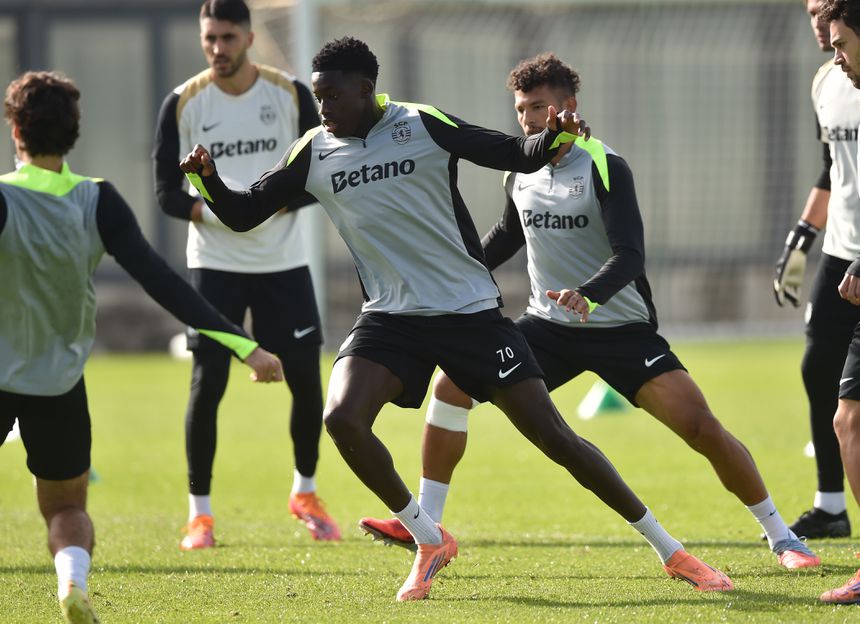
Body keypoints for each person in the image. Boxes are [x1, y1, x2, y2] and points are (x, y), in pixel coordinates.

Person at [180, 36, 735, 601]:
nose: (322, 109)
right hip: (390, 318)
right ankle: (429, 537)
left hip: (469, 313)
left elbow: (514, 153)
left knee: (553, 437)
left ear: (366, 89)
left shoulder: (422, 124)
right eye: (317, 97)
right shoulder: (314, 150)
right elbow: (246, 212)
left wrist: (557, 134)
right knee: (342, 419)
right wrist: (207, 179)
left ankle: (671, 550)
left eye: (332, 96)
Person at [357, 53, 821, 572]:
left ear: (568, 106)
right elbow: (509, 236)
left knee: (700, 427)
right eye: (520, 109)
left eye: (538, 107)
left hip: (620, 330)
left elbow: (631, 254)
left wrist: (589, 293)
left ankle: (784, 539)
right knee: (449, 387)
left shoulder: (604, 165)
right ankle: (429, 525)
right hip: (547, 328)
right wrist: (456, 270)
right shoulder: (520, 171)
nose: (528, 119)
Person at [0, 71, 283, 624]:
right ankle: (73, 582)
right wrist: (242, 343)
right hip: (58, 385)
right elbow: (164, 282)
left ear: (15, 131)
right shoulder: (95, 200)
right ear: (74, 133)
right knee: (66, 507)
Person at [153, 0, 339, 549]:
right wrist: (219, 212)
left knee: (306, 382)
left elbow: (320, 174)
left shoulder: (289, 95)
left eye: (228, 38)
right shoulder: (182, 103)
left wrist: (265, 206)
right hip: (215, 266)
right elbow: (165, 194)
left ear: (251, 38)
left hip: (282, 263)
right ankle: (200, 516)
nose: (217, 49)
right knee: (207, 384)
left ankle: (305, 493)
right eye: (209, 38)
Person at [772, 0, 860, 539]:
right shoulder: (827, 81)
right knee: (817, 370)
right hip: (841, 250)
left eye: (825, 11)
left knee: (850, 406)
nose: (818, 25)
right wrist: (800, 240)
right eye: (809, 13)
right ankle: (830, 504)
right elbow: (832, 168)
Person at [815, 0, 860, 605]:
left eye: (843, 41)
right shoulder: (830, 85)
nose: (835, 54)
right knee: (848, 418)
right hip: (844, 260)